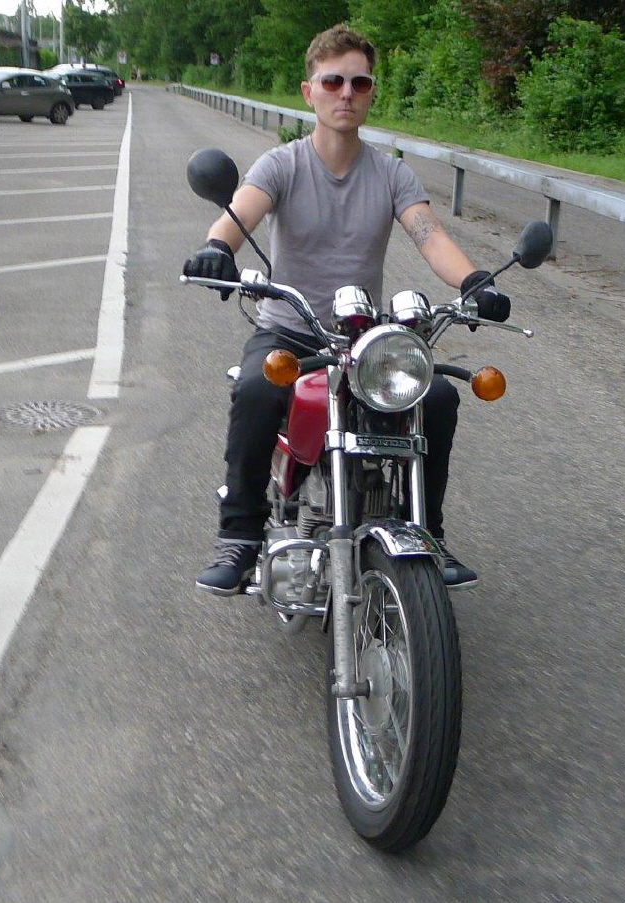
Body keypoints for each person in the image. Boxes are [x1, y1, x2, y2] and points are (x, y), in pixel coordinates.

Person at [184, 23, 510, 596]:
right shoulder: (282, 164)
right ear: (309, 91)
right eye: (332, 81)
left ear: (371, 93)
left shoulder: (391, 173)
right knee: (256, 391)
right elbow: (240, 213)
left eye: (359, 83)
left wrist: (474, 281)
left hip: (362, 336)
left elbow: (429, 234)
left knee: (436, 396)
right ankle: (239, 535)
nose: (346, 93)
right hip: (291, 329)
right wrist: (217, 249)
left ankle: (428, 532)